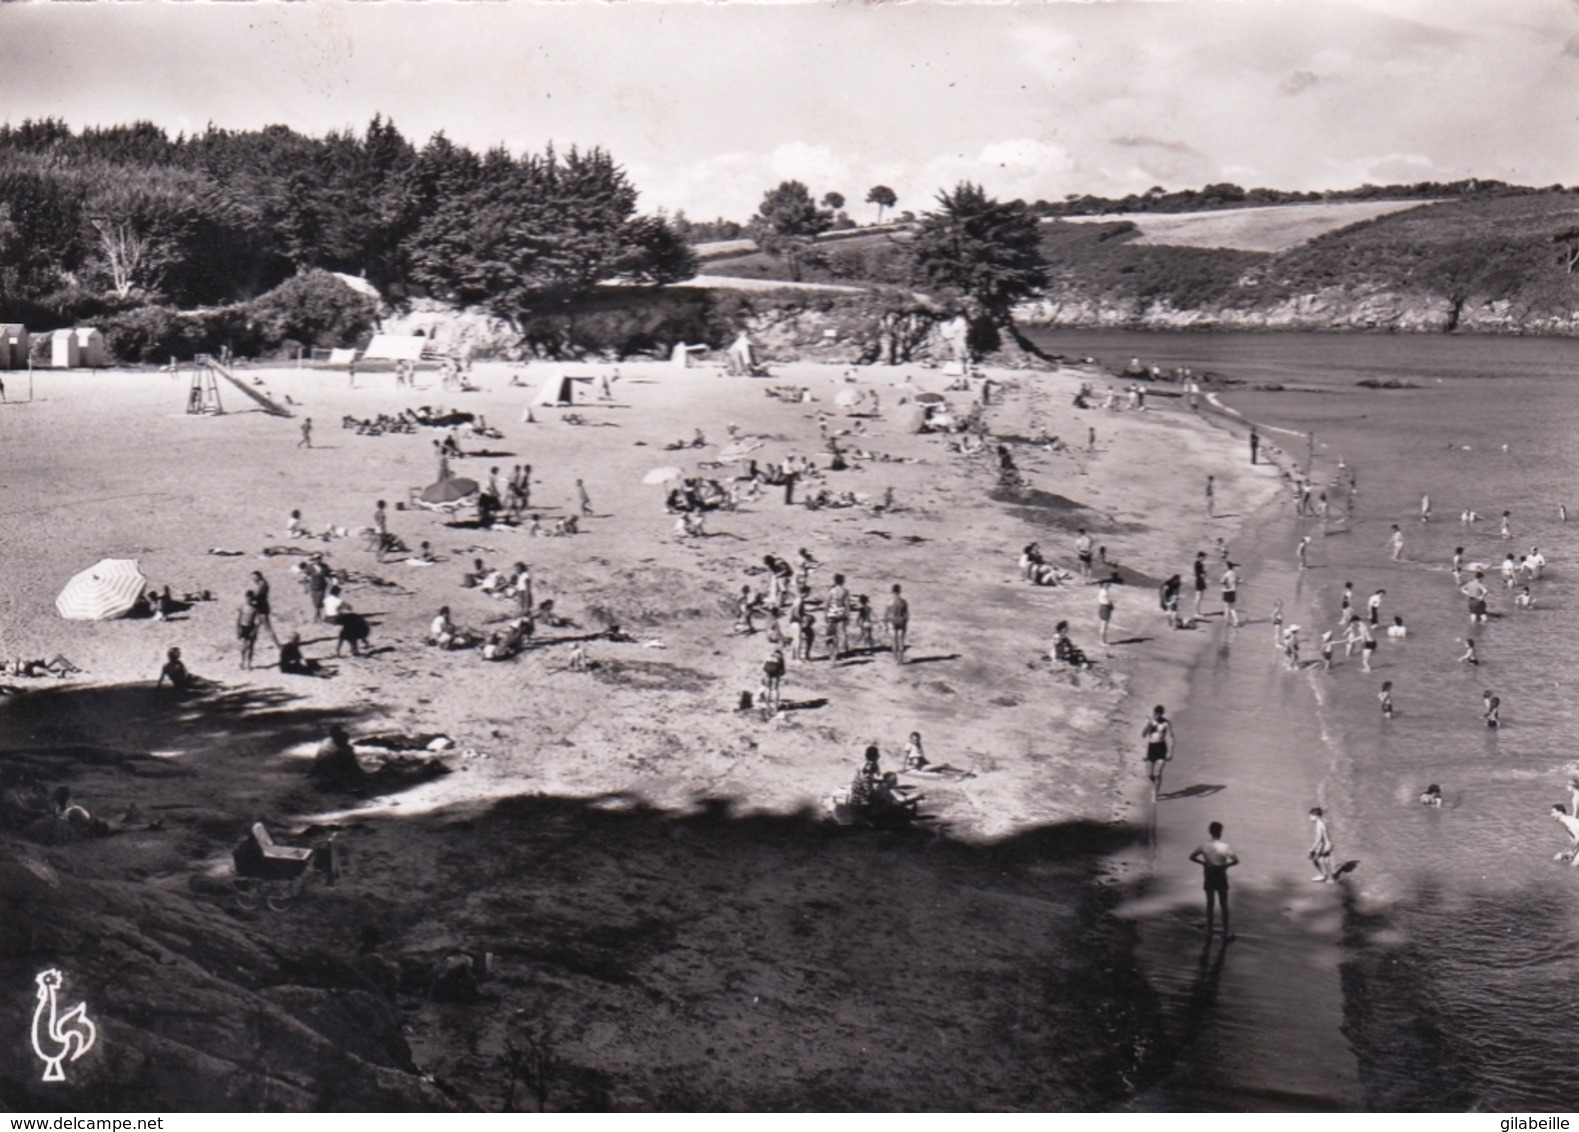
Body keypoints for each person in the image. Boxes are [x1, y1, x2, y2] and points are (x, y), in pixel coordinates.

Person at [1189, 822, 1239, 940]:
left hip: (1209, 874)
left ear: (1210, 832)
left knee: (1210, 903)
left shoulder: (1204, 845)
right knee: (1223, 903)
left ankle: (1209, 930)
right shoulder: (1225, 847)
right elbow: (1236, 861)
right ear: (1220, 832)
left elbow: (1192, 857)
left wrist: (1204, 863)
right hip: (1221, 875)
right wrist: (1226, 865)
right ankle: (1226, 930)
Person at [1142, 705, 1172, 799]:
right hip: (1151, 747)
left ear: (1162, 714)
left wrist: (1170, 752)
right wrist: (1149, 726)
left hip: (1161, 747)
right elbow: (1143, 735)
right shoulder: (1151, 722)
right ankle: (1153, 787)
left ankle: (1155, 791)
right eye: (1156, 714)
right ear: (1154, 713)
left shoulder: (1166, 723)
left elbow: (1171, 736)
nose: (1158, 716)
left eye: (1160, 714)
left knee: (1158, 773)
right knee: (1149, 774)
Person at [250, 571, 280, 647]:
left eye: (255, 577)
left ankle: (278, 645)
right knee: (256, 626)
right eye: (252, 578)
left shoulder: (262, 585)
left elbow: (257, 596)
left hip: (262, 608)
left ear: (259, 576)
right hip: (261, 607)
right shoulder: (262, 583)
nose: (253, 579)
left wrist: (251, 598)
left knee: (267, 627)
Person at [884, 583, 908, 664]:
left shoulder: (889, 602)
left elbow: (886, 615)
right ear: (900, 591)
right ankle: (901, 659)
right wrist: (905, 624)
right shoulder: (903, 602)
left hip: (892, 621)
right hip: (901, 620)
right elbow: (906, 615)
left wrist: (885, 625)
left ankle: (895, 660)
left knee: (893, 641)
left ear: (892, 591)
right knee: (901, 640)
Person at [1309, 807, 1335, 882]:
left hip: (1325, 845)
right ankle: (1330, 878)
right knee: (1325, 861)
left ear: (1316, 816)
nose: (1310, 818)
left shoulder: (1319, 825)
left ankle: (1322, 875)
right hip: (1328, 844)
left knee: (1313, 858)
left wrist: (1313, 848)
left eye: (1311, 816)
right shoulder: (1322, 823)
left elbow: (1319, 838)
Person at [236, 590, 260, 670]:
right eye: (247, 598)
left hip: (251, 627)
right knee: (244, 646)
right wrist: (238, 630)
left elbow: (257, 621)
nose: (249, 600)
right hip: (244, 627)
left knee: (250, 646)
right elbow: (238, 619)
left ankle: (249, 664)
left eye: (250, 599)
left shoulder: (255, 608)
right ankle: (242, 662)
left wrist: (254, 631)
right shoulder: (242, 607)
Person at [1220, 562, 1241, 627]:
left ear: (1227, 567)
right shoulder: (1234, 574)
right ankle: (1236, 620)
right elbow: (1239, 581)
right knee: (1232, 608)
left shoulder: (1226, 574)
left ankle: (1226, 621)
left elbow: (1222, 581)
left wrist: (1225, 585)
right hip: (1233, 591)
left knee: (1226, 607)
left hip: (1227, 591)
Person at [1096, 578, 1115, 645]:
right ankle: (1102, 641)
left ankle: (1103, 640)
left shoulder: (1102, 590)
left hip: (1102, 607)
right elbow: (1106, 601)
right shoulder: (1104, 592)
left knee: (1103, 625)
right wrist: (1111, 604)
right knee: (1104, 625)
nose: (1109, 584)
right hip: (1105, 608)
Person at [1192, 551, 1208, 618]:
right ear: (1200, 557)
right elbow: (1199, 573)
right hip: (1199, 581)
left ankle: (1197, 612)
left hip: (1200, 581)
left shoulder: (1198, 563)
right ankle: (1196, 613)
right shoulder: (1198, 564)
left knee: (1199, 597)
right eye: (1203, 557)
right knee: (1198, 597)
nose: (1204, 558)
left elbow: (1199, 573)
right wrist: (1204, 574)